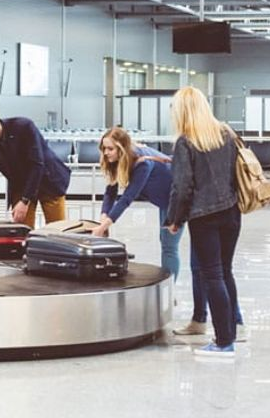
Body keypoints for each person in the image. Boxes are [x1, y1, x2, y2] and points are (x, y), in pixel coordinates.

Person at [165, 86, 242, 358]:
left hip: (204, 217)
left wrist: (174, 219)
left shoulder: (186, 142)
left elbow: (182, 187)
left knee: (213, 275)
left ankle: (223, 343)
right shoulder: (226, 134)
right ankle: (232, 332)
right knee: (225, 271)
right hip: (231, 213)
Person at [0, 100, 70, 227]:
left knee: (57, 232)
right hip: (21, 185)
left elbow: (37, 165)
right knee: (21, 231)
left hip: (49, 180)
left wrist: (25, 201)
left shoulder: (23, 127)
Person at [92, 127, 179, 278]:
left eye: (110, 149)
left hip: (177, 199)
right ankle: (168, 289)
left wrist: (104, 226)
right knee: (165, 242)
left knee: (169, 246)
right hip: (165, 200)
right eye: (104, 148)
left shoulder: (142, 163)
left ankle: (169, 292)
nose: (106, 153)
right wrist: (103, 216)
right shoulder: (117, 159)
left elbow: (127, 198)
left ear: (122, 148)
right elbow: (110, 191)